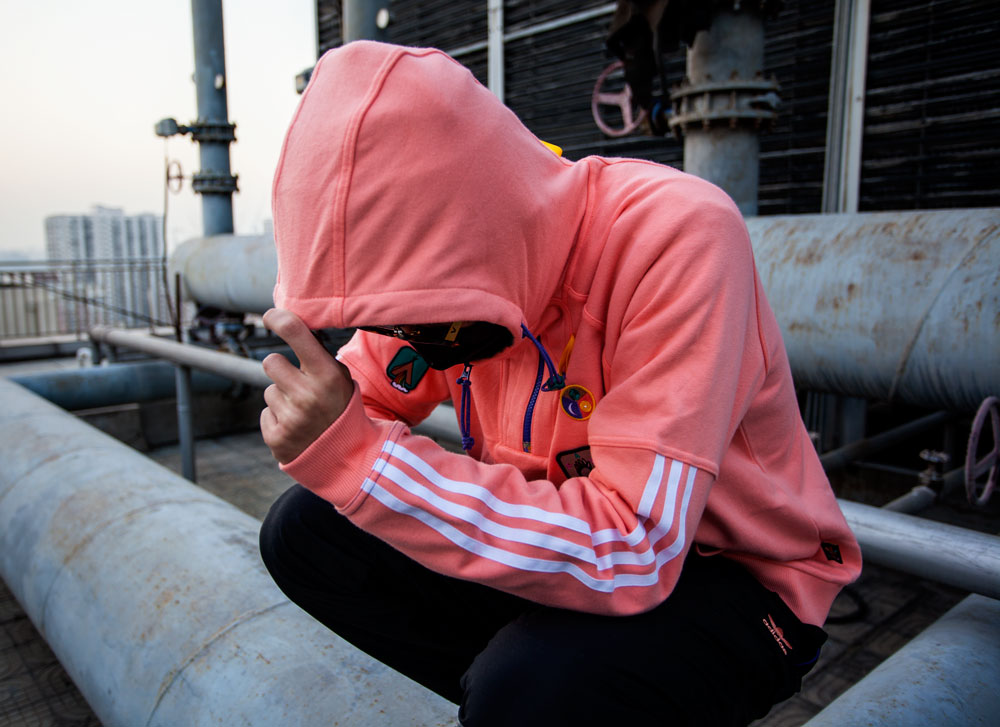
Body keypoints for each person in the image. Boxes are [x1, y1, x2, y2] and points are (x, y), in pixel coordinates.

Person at [257, 40, 860, 727]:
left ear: (471, 231)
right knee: (305, 533)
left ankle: (535, 697)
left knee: (531, 685)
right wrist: (324, 426)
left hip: (734, 575)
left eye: (411, 314)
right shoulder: (439, 292)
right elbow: (365, 400)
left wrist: (362, 459)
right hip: (570, 547)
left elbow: (637, 549)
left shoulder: (678, 236)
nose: (407, 336)